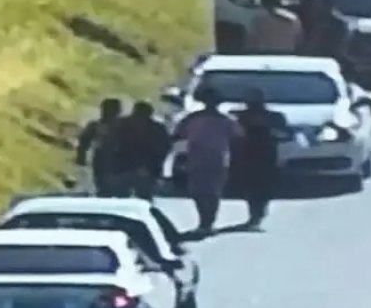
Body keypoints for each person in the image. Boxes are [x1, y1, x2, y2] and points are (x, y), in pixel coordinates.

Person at [175, 86, 242, 235]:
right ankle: (205, 220)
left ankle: (208, 222)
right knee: (200, 191)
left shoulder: (226, 120)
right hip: (200, 157)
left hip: (215, 158)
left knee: (211, 191)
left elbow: (238, 138)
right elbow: (180, 133)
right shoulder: (194, 118)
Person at [233, 90, 289, 229]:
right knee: (251, 186)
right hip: (248, 154)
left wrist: (274, 133)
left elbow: (286, 133)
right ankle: (254, 214)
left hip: (267, 154)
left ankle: (259, 213)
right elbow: (236, 135)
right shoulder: (242, 117)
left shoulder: (274, 117)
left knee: (264, 186)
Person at [116, 101, 172, 201]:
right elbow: (165, 148)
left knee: (122, 198)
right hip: (141, 168)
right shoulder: (157, 128)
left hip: (125, 167)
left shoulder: (120, 124)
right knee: (142, 198)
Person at [75, 98, 125, 196]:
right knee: (104, 188)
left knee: (118, 190)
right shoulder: (96, 125)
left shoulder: (125, 126)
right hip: (102, 161)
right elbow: (84, 141)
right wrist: (81, 156)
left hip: (119, 162)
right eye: (105, 109)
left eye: (111, 110)